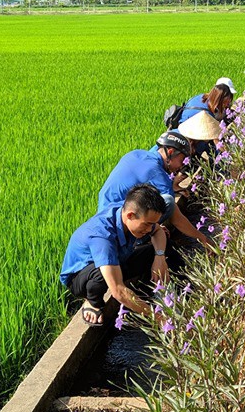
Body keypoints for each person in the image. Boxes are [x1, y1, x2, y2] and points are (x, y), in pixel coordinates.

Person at [61, 184, 167, 326]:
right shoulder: (102, 236)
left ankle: (167, 290)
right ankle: (92, 302)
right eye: (146, 224)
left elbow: (158, 231)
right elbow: (118, 291)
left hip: (117, 259)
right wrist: (159, 318)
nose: (149, 229)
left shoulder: (129, 212)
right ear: (130, 215)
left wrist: (159, 257)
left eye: (152, 224)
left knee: (158, 247)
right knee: (101, 275)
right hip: (82, 277)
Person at [97, 131, 211, 255]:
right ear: (171, 153)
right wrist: (203, 239)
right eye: (182, 160)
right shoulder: (158, 175)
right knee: (168, 201)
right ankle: (139, 239)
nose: (181, 165)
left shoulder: (137, 154)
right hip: (121, 222)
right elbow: (177, 218)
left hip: (104, 211)